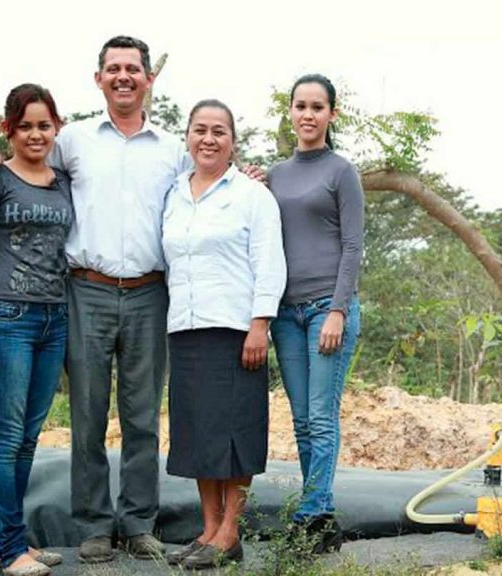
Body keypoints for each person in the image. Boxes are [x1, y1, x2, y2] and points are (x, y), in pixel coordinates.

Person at [0, 36, 188, 563]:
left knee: (142, 416)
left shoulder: (172, 148)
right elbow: (23, 164)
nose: (123, 77)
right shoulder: (75, 140)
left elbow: (205, 186)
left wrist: (251, 175)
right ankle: (92, 525)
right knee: (87, 414)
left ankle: (138, 523)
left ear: (148, 78)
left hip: (148, 291)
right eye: (112, 68)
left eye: (132, 69)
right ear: (99, 79)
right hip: (83, 290)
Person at [159, 99, 285, 569]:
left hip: (235, 329)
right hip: (185, 326)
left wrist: (260, 325)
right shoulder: (174, 193)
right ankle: (209, 529)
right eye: (199, 130)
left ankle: (230, 531)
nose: (208, 139)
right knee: (197, 433)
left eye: (219, 131)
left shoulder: (252, 195)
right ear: (187, 137)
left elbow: (270, 263)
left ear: (233, 141)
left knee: (234, 432)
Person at [0, 84, 70, 576]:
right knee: (4, 436)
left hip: (55, 318)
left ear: (56, 128)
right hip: (7, 319)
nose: (35, 133)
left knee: (28, 437)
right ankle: (9, 550)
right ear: (8, 129)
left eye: (43, 125)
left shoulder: (63, 180)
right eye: (24, 125)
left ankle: (7, 539)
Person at [266, 74, 364, 554]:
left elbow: (352, 246)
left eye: (317, 107)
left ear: (331, 114)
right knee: (302, 420)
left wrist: (339, 311)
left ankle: (311, 513)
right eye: (300, 105)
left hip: (328, 309)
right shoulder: (274, 175)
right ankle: (320, 518)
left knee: (322, 418)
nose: (308, 114)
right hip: (286, 313)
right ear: (290, 112)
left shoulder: (341, 171)